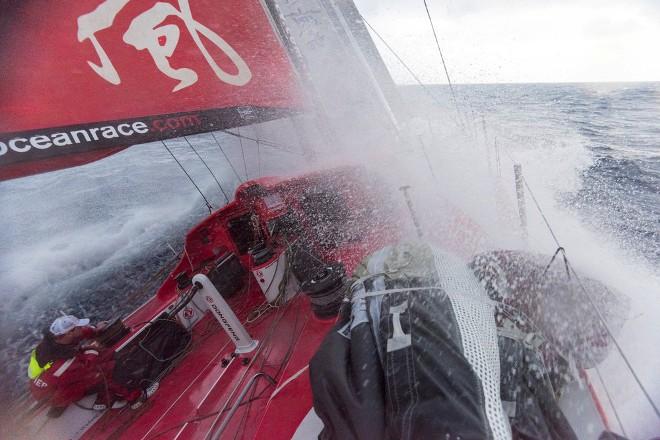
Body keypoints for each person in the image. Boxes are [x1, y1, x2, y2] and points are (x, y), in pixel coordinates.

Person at [28, 315, 157, 418]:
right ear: (69, 333)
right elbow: (90, 369)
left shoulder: (57, 337)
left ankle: (102, 400)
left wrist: (95, 330)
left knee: (108, 355)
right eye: (78, 327)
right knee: (103, 372)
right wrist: (92, 350)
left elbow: (79, 333)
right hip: (57, 392)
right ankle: (135, 398)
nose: (81, 328)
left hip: (61, 376)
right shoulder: (61, 364)